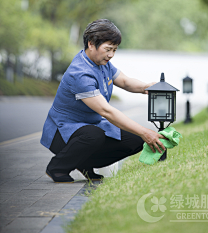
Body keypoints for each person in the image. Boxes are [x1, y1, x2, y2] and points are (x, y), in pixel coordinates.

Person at [41, 19, 166, 183]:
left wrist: (146, 87)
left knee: (135, 140)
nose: (111, 55)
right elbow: (106, 111)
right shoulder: (79, 73)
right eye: (108, 49)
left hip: (88, 127)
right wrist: (145, 132)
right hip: (62, 133)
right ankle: (57, 167)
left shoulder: (103, 63)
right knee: (94, 135)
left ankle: (84, 163)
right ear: (91, 44)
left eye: (114, 50)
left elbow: (125, 82)